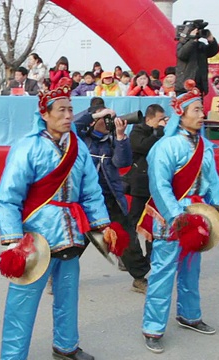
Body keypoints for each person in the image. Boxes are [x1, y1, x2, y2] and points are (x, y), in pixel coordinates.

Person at [0, 79, 114, 360]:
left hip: (71, 234)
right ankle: (12, 356)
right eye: (60, 110)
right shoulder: (27, 148)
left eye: (70, 109)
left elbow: (91, 190)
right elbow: (8, 196)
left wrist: (103, 224)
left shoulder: (79, 148)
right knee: (22, 304)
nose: (68, 116)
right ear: (44, 114)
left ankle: (66, 346)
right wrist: (13, 240)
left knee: (68, 295)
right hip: (35, 238)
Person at [140, 83, 219, 353]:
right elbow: (160, 186)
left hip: (199, 216)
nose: (202, 114)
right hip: (172, 218)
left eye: (202, 109)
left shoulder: (205, 146)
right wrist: (178, 217)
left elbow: (214, 183)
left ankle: (189, 315)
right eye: (196, 109)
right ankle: (153, 328)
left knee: (192, 269)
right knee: (163, 272)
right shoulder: (166, 146)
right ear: (181, 113)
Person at [73, 97, 132, 272]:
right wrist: (94, 115)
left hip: (110, 194)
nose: (107, 123)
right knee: (80, 239)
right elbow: (72, 126)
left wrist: (121, 138)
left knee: (125, 235)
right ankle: (59, 274)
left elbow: (122, 162)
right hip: (86, 197)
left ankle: (137, 274)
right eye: (103, 119)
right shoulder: (81, 139)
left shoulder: (113, 140)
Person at [124, 104, 167, 293]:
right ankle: (131, 259)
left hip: (157, 186)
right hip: (140, 185)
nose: (162, 123)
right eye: (159, 120)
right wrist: (157, 133)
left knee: (154, 226)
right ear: (149, 119)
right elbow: (142, 147)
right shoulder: (137, 131)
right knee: (133, 224)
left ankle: (152, 262)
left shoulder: (161, 132)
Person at [175, 27, 219, 96]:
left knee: (198, 106)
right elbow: (182, 55)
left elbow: (212, 52)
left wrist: (211, 40)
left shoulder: (201, 45)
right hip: (184, 86)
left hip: (199, 85)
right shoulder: (182, 44)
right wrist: (192, 40)